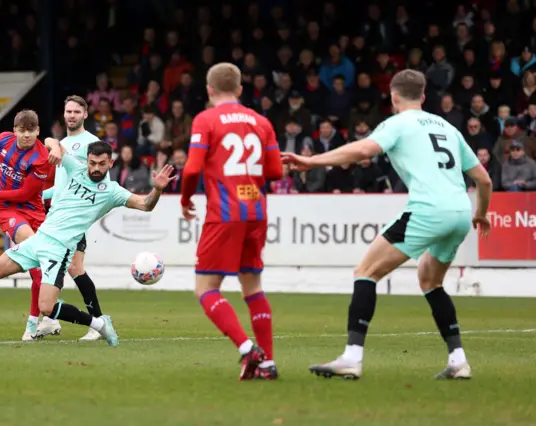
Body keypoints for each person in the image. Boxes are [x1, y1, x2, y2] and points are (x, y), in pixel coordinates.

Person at [282, 69, 493, 380]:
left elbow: (364, 150)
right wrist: (481, 213)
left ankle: (352, 357)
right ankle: (458, 361)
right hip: (461, 211)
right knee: (430, 281)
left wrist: (312, 161)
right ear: (423, 97)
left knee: (365, 272)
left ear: (394, 97)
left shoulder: (397, 123)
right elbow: (484, 179)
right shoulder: (448, 127)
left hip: (428, 210)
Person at [0, 141, 176, 344]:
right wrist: (57, 149)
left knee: (47, 307)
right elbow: (50, 141)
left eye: (102, 164)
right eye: (92, 163)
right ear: (87, 160)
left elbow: (145, 205)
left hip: (59, 250)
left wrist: (157, 191)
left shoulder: (112, 191)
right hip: (39, 240)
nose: (95, 168)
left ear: (110, 164)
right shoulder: (77, 169)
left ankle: (99, 323)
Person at [180, 63, 283, 380]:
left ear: (209, 90)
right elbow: (276, 172)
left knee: (205, 288)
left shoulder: (206, 119)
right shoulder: (261, 121)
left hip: (224, 213)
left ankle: (246, 349)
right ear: (240, 89)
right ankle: (267, 364)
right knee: (252, 286)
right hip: (256, 210)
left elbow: (193, 168)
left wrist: (185, 199)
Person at [0, 110, 50, 341]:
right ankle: (32, 326)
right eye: (22, 130)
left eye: (31, 131)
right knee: (36, 263)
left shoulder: (41, 158)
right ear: (14, 130)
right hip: (9, 210)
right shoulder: (2, 140)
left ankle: (45, 318)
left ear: (38, 131)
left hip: (34, 211)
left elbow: (25, 193)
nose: (26, 135)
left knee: (45, 270)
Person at [39, 95, 111, 341]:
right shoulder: (62, 143)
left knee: (72, 267)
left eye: (76, 112)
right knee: (70, 267)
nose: (71, 115)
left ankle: (95, 322)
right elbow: (61, 185)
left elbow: (102, 182)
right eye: (68, 111)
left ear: (85, 114)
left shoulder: (92, 143)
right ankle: (55, 319)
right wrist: (40, 194)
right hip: (56, 215)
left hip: (72, 218)